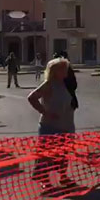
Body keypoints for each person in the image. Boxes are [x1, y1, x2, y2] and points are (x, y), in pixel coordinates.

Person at [27, 58, 76, 192]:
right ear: (55, 71)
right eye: (63, 68)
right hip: (50, 125)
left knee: (64, 154)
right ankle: (45, 180)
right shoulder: (49, 84)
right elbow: (31, 98)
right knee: (47, 155)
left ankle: (63, 177)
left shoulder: (66, 84)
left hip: (67, 125)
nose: (66, 71)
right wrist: (45, 112)